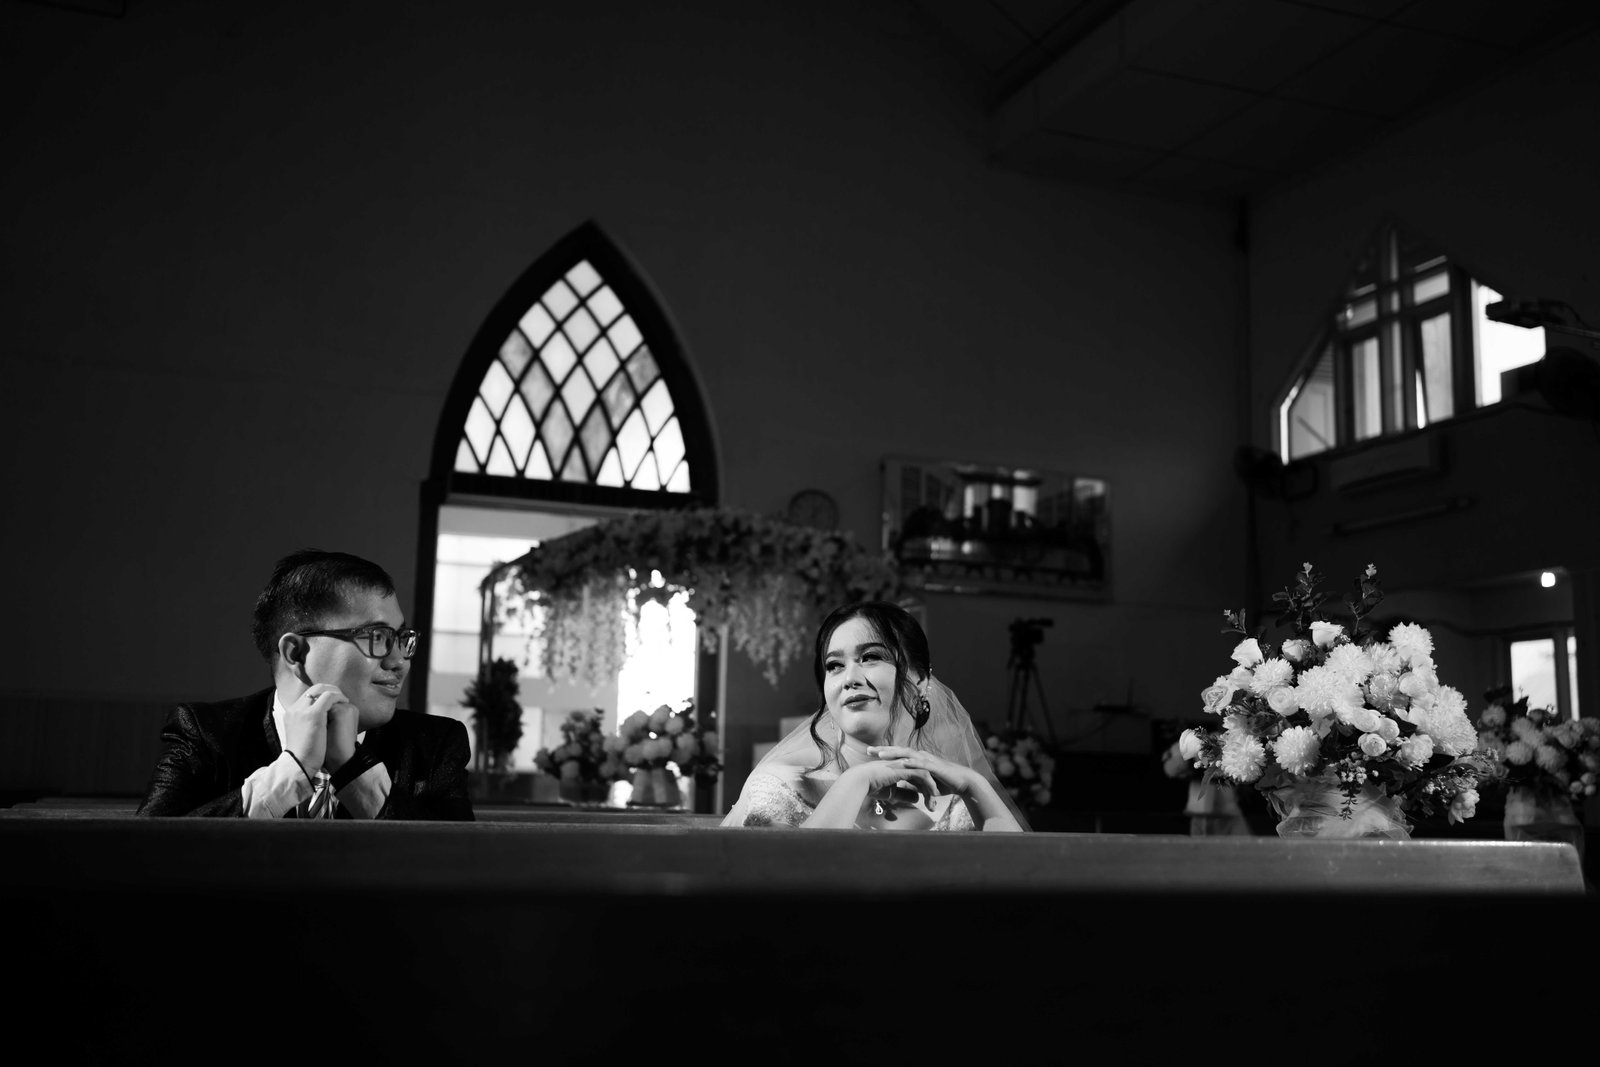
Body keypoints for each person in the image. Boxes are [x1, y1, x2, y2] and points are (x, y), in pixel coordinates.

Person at [137, 549, 473, 820]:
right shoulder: (205, 733)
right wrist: (292, 771)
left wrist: (354, 770)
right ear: (296, 653)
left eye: (402, 638)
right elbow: (143, 855)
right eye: (378, 637)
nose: (400, 661)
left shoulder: (436, 744)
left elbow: (459, 864)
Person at [721, 601, 1028, 830]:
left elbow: (1021, 879)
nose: (849, 678)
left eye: (870, 657)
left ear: (921, 680)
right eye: (835, 666)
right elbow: (798, 880)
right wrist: (856, 781)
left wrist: (974, 785)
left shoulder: (953, 801)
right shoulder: (783, 784)